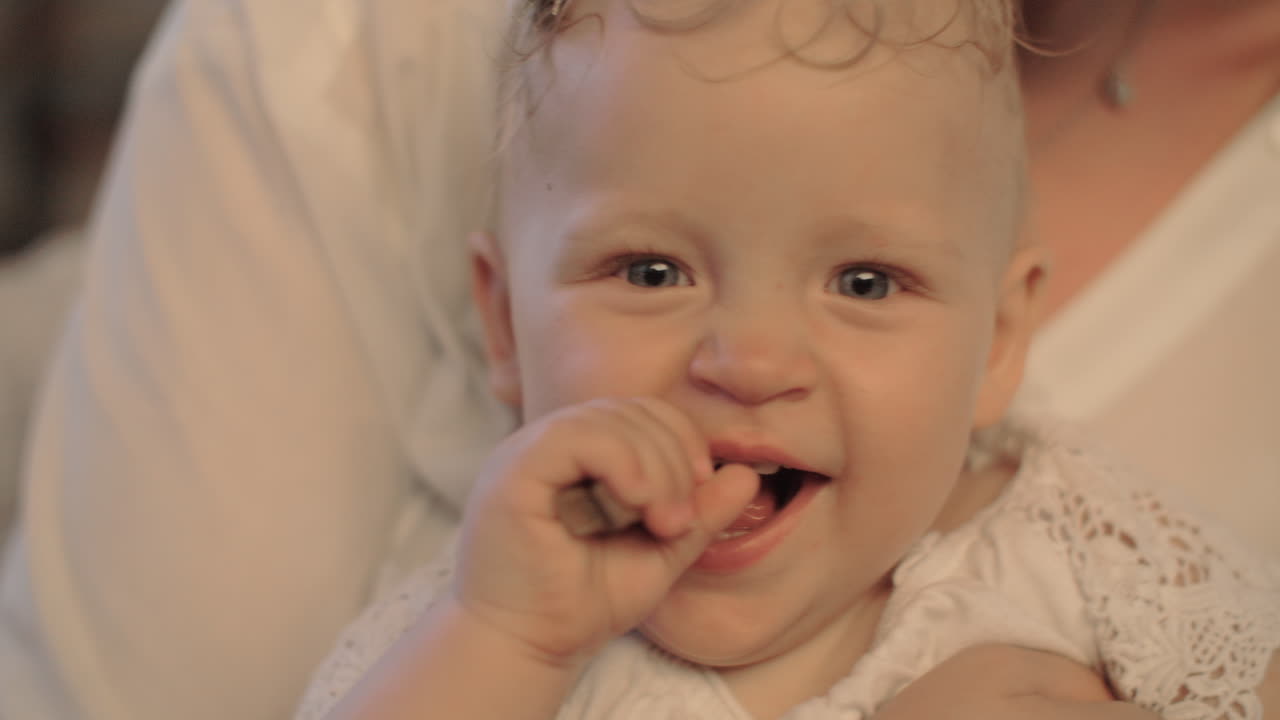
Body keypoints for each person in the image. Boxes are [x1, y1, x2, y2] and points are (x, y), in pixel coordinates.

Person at [1, 0, 1277, 718]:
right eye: (651, 272)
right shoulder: (497, 620)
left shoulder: (1079, 552)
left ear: (998, 338)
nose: (750, 360)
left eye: (862, 282)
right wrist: (498, 641)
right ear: (504, 327)